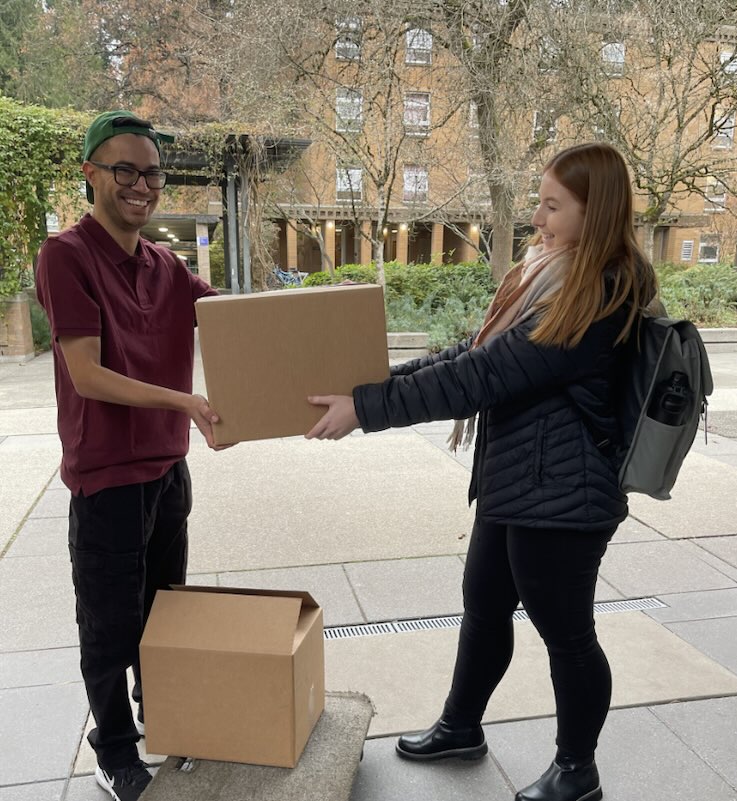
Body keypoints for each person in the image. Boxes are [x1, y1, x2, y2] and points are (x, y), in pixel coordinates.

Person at [305, 142, 658, 801]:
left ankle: (577, 769)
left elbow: (483, 377)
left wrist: (368, 408)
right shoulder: (554, 274)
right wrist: (371, 383)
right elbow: (471, 351)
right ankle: (462, 725)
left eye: (553, 206)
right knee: (486, 603)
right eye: (540, 202)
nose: (538, 217)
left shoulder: (597, 295)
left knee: (566, 634)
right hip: (518, 480)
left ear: (595, 210)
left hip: (562, 495)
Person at [36, 111, 225, 801]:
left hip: (167, 470)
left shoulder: (164, 263)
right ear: (91, 174)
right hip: (108, 476)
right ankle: (113, 748)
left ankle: (165, 714)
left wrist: (304, 334)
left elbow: (231, 320)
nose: (141, 185)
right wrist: (186, 404)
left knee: (163, 609)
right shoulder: (66, 255)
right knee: (109, 620)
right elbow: (86, 374)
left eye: (150, 172)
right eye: (125, 170)